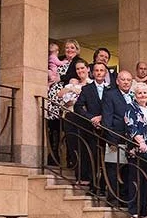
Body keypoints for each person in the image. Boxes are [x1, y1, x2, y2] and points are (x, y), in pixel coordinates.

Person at [74, 62, 108, 196]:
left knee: (106, 159)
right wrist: (91, 118)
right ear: (92, 73)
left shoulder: (111, 89)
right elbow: (78, 107)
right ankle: (94, 186)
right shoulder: (87, 89)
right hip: (91, 129)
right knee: (93, 157)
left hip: (106, 128)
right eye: (97, 70)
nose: (99, 73)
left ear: (105, 73)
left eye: (102, 70)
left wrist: (102, 117)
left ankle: (105, 187)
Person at [101, 70, 134, 208]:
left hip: (130, 140)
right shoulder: (110, 95)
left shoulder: (133, 96)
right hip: (115, 138)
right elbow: (107, 119)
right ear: (117, 81)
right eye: (123, 79)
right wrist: (111, 140)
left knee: (127, 171)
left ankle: (125, 198)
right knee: (113, 170)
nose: (126, 82)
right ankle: (113, 198)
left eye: (128, 80)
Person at [124, 82, 147, 218]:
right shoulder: (131, 107)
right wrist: (141, 141)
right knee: (136, 179)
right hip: (138, 149)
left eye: (145, 92)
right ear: (135, 95)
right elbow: (131, 126)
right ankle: (133, 209)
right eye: (140, 93)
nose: (143, 95)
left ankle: (143, 210)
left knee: (146, 180)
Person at [46, 39, 82, 166]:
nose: (69, 50)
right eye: (67, 47)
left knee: (66, 128)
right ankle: (53, 155)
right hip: (52, 98)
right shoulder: (60, 60)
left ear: (77, 50)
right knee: (53, 127)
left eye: (72, 47)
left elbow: (75, 75)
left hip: (65, 98)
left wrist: (60, 78)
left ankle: (70, 159)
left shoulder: (78, 62)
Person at [57, 59, 90, 179]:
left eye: (82, 68)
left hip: (85, 118)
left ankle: (86, 176)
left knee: (85, 148)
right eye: (78, 69)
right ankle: (78, 174)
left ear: (88, 69)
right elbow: (60, 94)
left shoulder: (91, 83)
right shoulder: (72, 84)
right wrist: (72, 88)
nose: (80, 71)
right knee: (73, 146)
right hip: (70, 116)